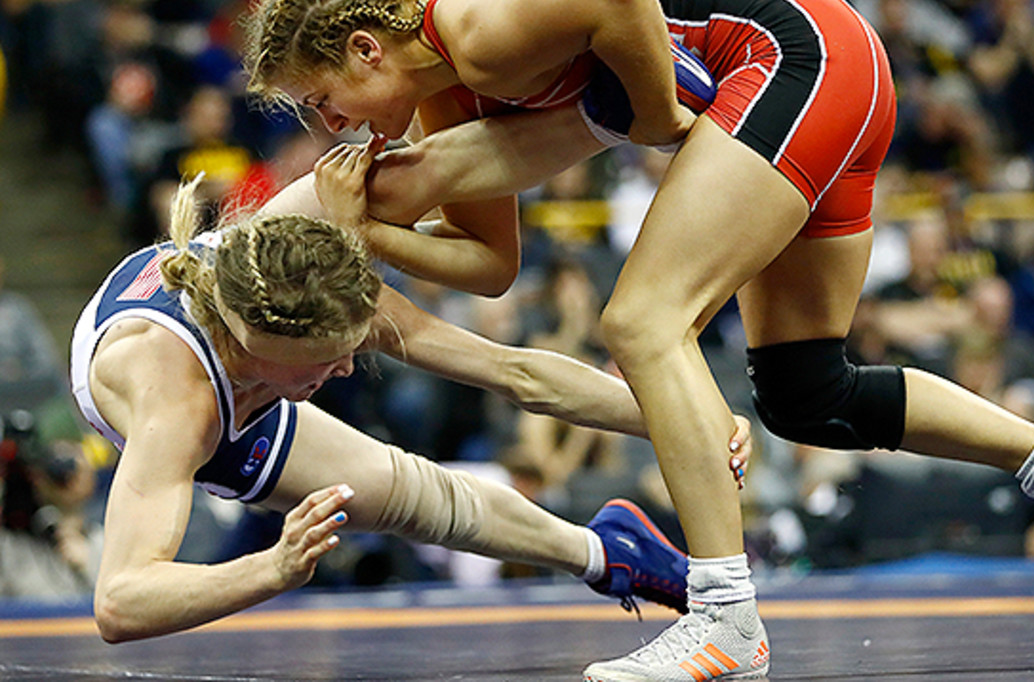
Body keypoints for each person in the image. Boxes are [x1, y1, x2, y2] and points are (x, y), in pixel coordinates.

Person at [242, 0, 1034, 680]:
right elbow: (489, 268)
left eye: (325, 103)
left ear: (365, 49)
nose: (339, 130)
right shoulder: (450, 92)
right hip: (827, 69)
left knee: (640, 320)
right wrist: (365, 233)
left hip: (794, 56)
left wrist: (661, 118)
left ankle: (725, 617)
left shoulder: (475, 21)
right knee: (808, 389)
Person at [70, 172, 753, 644]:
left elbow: (511, 370)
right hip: (199, 392)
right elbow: (121, 602)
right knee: (402, 498)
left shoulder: (311, 270)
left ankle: (609, 554)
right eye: (329, 358)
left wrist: (691, 417)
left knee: (422, 498)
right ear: (266, 348)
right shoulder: (175, 408)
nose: (344, 368)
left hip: (247, 370)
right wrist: (271, 570)